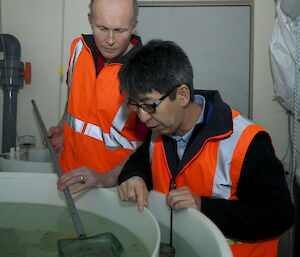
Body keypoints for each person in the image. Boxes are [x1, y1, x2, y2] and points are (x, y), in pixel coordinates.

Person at [117, 40, 295, 257]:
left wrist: (204, 207)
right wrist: (134, 176)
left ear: (182, 95)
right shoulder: (160, 128)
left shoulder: (247, 142)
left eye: (149, 105)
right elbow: (141, 162)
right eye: (135, 106)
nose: (142, 117)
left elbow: (280, 214)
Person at [48, 0, 145, 194]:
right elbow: (74, 97)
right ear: (90, 21)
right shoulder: (78, 49)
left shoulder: (145, 70)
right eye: (102, 28)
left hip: (112, 188)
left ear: (134, 26)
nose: (110, 40)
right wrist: (63, 127)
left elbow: (147, 146)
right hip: (68, 175)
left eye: (120, 30)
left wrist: (107, 178)